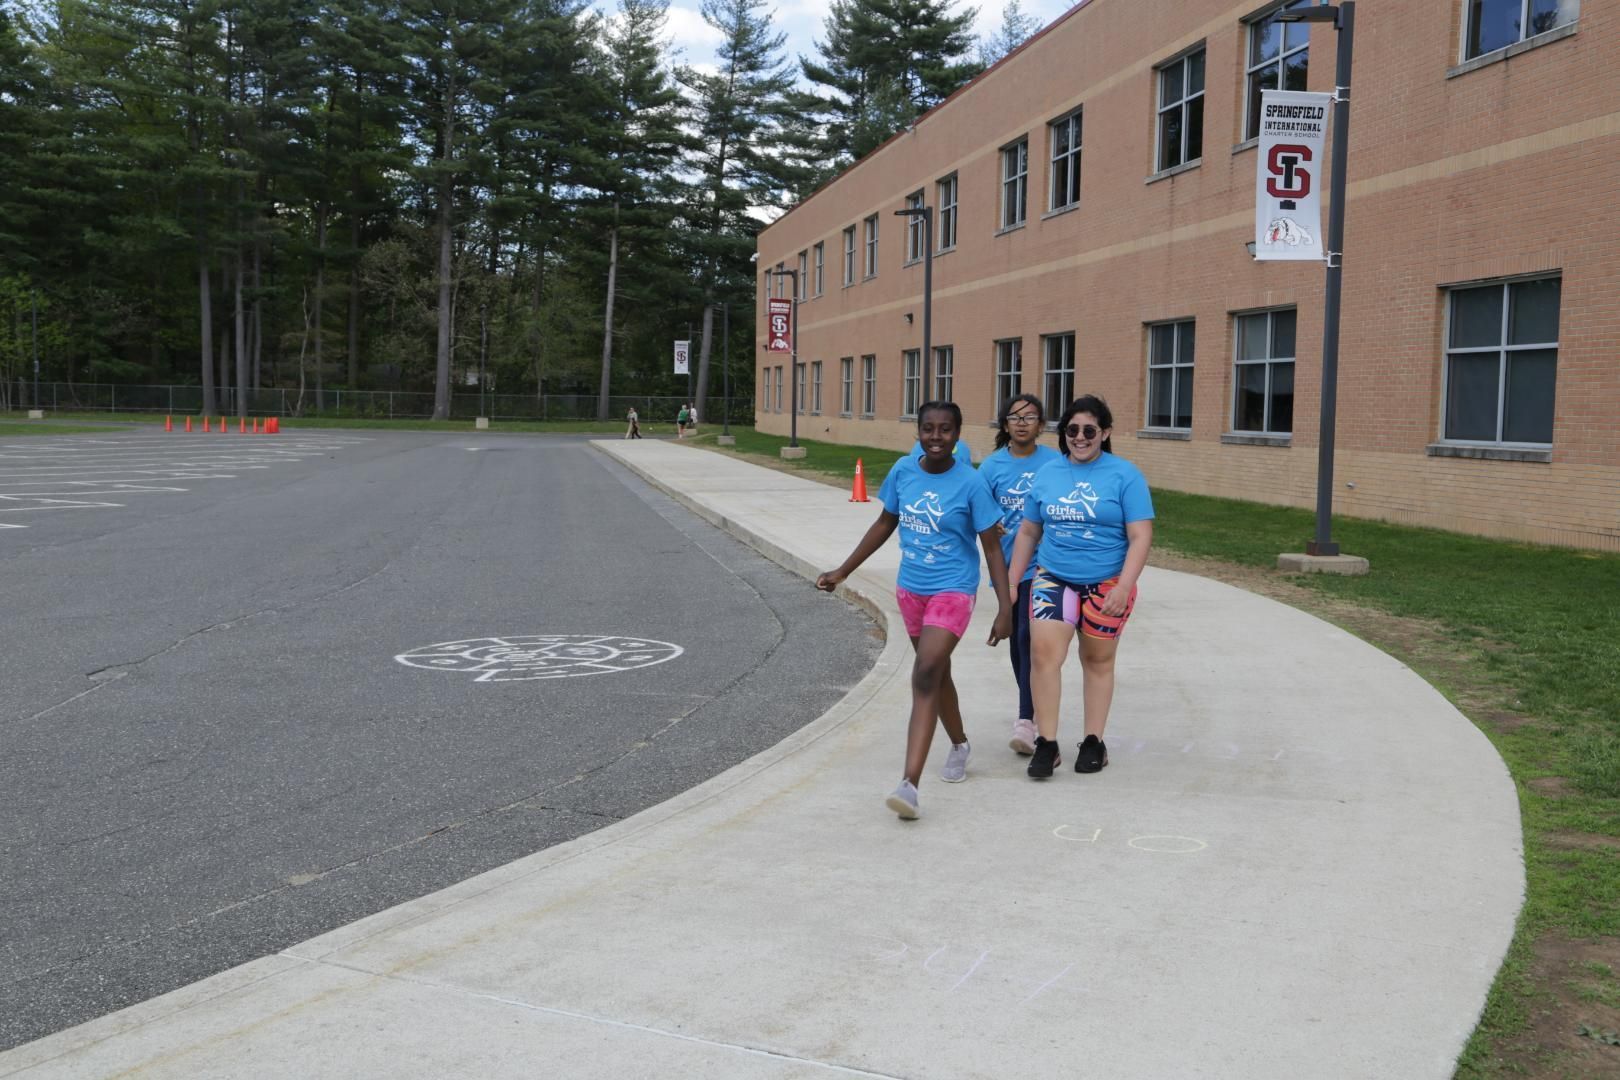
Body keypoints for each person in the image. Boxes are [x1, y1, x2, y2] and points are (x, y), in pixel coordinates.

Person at [817, 401, 1013, 820]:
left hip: (954, 591)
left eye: (945, 430)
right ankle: (959, 744)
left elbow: (992, 548)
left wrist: (1005, 606)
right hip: (911, 591)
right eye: (928, 429)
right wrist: (842, 571)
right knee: (936, 675)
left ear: (958, 435)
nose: (936, 437)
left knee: (924, 672)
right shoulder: (903, 472)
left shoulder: (972, 483)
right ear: (918, 433)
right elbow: (885, 524)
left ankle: (909, 785)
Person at [1008, 395, 1154, 779]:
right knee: (1043, 655)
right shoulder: (1048, 474)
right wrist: (1011, 583)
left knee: (1097, 660)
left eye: (1090, 430)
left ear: (1104, 433)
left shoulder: (1125, 475)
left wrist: (1124, 586)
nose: (1080, 437)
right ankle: (1048, 744)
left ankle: (1093, 742)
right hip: (1054, 576)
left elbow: (1140, 536)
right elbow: (1028, 530)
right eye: (1072, 430)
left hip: (1107, 581)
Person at [976, 393, 1060, 756]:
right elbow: (979, 513)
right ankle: (1035, 705)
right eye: (1015, 417)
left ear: (1041, 425)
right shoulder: (991, 468)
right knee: (1015, 639)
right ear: (1005, 424)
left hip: (1044, 564)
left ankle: (1026, 719)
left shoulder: (1056, 463)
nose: (1022, 422)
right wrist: (991, 527)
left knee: (1028, 634)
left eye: (1030, 417)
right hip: (1006, 567)